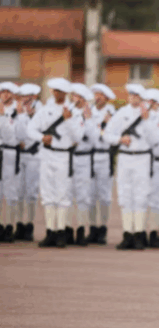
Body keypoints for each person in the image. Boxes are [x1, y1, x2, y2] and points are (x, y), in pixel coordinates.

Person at [27, 77, 84, 248]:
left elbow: (78, 137)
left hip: (63, 155)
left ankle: (61, 233)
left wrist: (68, 120)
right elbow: (30, 129)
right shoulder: (45, 110)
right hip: (47, 154)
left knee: (62, 194)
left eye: (60, 92)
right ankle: (50, 231)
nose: (57, 94)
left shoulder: (74, 112)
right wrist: (41, 137)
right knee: (47, 194)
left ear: (66, 93)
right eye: (55, 91)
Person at [103, 83, 158, 250]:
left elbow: (155, 140)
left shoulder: (150, 115)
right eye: (131, 95)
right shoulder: (121, 113)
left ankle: (139, 234)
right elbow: (107, 134)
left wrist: (147, 121)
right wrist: (119, 139)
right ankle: (127, 234)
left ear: (142, 98)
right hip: (125, 158)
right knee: (125, 195)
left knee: (141, 196)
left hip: (142, 158)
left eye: (136, 96)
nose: (133, 98)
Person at [86, 83, 117, 244]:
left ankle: (102, 228)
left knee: (104, 196)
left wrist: (102, 127)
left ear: (107, 98)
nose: (97, 98)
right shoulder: (89, 112)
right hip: (90, 156)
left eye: (100, 95)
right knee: (90, 195)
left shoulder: (112, 113)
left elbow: (108, 136)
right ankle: (92, 228)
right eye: (96, 95)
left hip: (105, 156)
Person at [68, 83, 97, 246]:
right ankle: (66, 230)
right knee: (66, 194)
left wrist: (89, 120)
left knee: (83, 196)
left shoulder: (91, 116)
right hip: (68, 157)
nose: (76, 99)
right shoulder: (67, 113)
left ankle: (80, 231)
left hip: (84, 158)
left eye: (79, 97)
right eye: (74, 96)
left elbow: (94, 139)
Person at [15, 83, 42, 242]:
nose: (24, 99)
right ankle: (19, 225)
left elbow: (40, 132)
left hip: (33, 155)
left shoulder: (41, 111)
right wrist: (20, 116)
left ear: (34, 97)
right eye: (22, 97)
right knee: (19, 191)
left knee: (31, 192)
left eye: (27, 97)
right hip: (20, 155)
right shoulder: (18, 111)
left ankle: (29, 226)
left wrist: (31, 116)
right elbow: (17, 133)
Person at [144, 88, 159, 248]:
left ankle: (154, 232)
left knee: (157, 198)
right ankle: (139, 231)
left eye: (153, 101)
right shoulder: (141, 117)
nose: (150, 104)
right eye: (149, 101)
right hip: (142, 160)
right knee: (141, 197)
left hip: (158, 162)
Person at [0, 81, 21, 242]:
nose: (5, 95)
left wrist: (2, 117)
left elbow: (9, 135)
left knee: (11, 191)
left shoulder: (17, 111)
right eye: (2, 92)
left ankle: (9, 226)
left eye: (8, 92)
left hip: (10, 153)